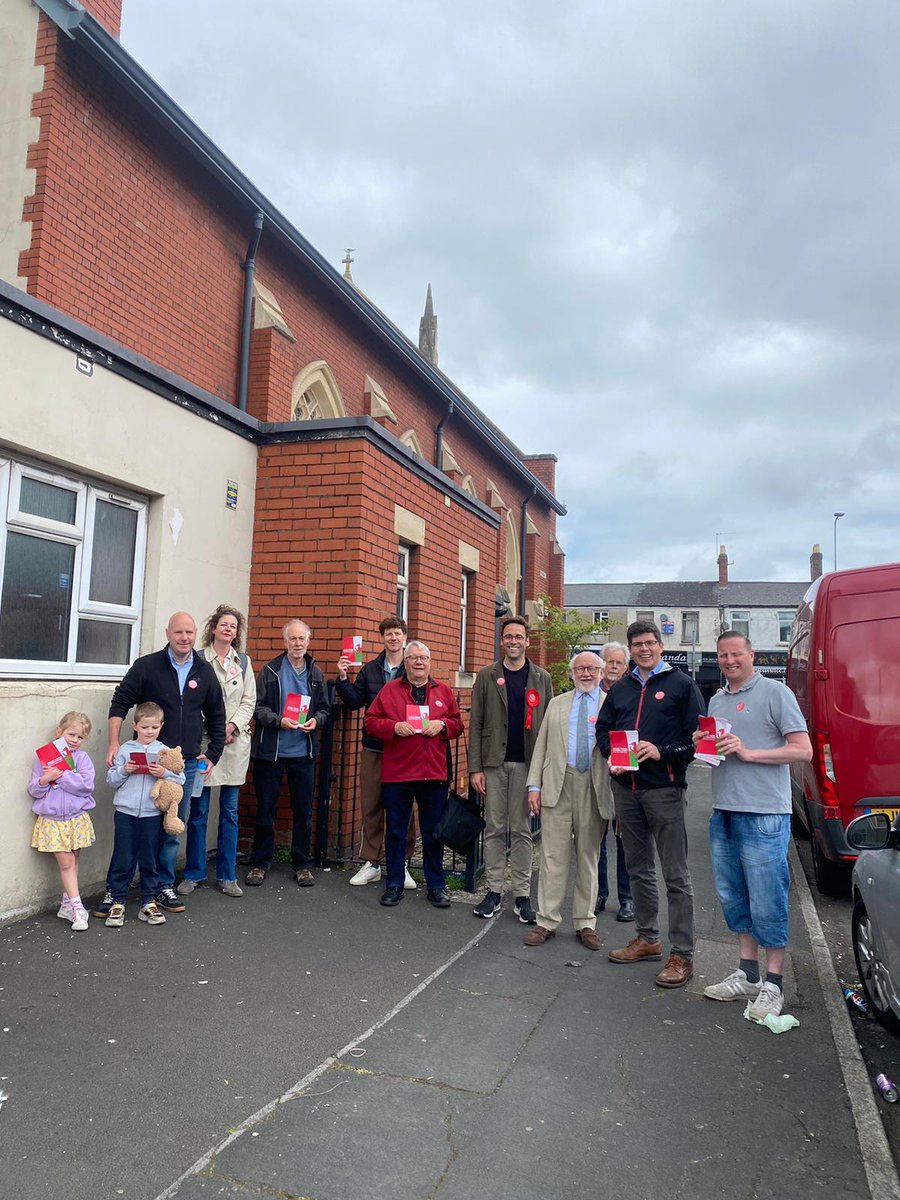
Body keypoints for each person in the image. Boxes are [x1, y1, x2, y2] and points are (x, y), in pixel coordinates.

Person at [698, 632, 812, 1020]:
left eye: (736, 654)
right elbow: (717, 752)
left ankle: (774, 983)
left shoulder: (775, 693)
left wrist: (748, 752)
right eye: (723, 655)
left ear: (751, 655)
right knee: (734, 896)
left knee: (768, 899)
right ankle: (747, 974)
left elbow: (802, 749)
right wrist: (704, 744)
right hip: (723, 809)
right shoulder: (716, 699)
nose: (729, 661)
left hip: (764, 813)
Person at [595, 620, 704, 988]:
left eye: (649, 643)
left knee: (676, 875)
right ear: (630, 650)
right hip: (626, 789)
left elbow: (697, 741)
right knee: (637, 867)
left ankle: (682, 954)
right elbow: (603, 730)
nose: (643, 649)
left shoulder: (681, 684)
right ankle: (647, 938)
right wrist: (612, 754)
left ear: (660, 645)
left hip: (665, 790)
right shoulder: (621, 687)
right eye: (637, 644)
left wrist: (662, 752)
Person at [100, 612, 225, 918]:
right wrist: (114, 743)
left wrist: (213, 754)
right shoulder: (147, 666)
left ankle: (161, 886)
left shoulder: (203, 670)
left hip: (182, 767)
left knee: (171, 827)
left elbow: (217, 714)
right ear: (168, 633)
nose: (185, 638)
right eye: (179, 632)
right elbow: (120, 702)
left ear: (196, 635)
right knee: (133, 829)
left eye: (190, 633)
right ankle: (120, 890)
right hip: (143, 761)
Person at [364, 640, 463, 909]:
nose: (419, 662)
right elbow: (370, 721)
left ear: (430, 662)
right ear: (405, 662)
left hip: (434, 773)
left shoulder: (443, 690)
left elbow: (457, 724)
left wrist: (441, 724)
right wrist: (394, 727)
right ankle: (394, 884)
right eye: (413, 658)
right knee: (395, 831)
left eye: (424, 658)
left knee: (432, 832)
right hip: (398, 773)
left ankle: (436, 885)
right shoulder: (389, 690)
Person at [523, 652, 611, 950]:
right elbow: (542, 745)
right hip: (558, 785)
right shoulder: (557, 704)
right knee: (552, 858)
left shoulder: (613, 705)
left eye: (591, 668)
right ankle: (546, 920)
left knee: (588, 857)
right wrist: (534, 785)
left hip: (595, 786)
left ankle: (585, 922)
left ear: (602, 672)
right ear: (572, 673)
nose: (585, 673)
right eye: (580, 669)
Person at [468, 615, 553, 924]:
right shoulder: (487, 675)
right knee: (493, 828)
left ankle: (521, 895)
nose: (514, 641)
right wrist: (474, 768)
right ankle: (492, 891)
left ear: (527, 642)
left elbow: (549, 727)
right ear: (501, 641)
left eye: (519, 637)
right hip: (493, 763)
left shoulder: (541, 678)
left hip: (528, 765)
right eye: (509, 637)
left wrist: (544, 771)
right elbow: (475, 723)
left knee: (521, 830)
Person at [177, 604, 257, 899]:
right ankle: (194, 873)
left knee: (230, 813)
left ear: (237, 633)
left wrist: (232, 726)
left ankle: (227, 875)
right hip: (204, 745)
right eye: (223, 624)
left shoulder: (244, 663)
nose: (228, 629)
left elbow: (249, 700)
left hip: (234, 745)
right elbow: (189, 699)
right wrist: (214, 727)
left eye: (233, 626)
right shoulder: (197, 660)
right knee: (198, 811)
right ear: (213, 628)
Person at [245, 619, 331, 888]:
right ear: (285, 642)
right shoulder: (271, 670)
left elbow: (325, 709)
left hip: (302, 752)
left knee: (303, 812)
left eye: (301, 639)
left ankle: (302, 864)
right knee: (266, 811)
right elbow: (256, 708)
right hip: (270, 752)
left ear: (308, 641)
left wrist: (316, 720)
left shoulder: (316, 673)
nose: (297, 644)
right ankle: (260, 863)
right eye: (292, 639)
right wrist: (278, 720)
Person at [335, 615, 416, 890]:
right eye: (388, 634)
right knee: (371, 805)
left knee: (404, 808)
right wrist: (344, 678)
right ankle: (372, 862)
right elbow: (356, 702)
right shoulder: (370, 669)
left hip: (404, 749)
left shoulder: (413, 668)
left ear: (404, 636)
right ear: (382, 638)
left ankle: (402, 862)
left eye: (397, 633)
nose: (393, 638)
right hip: (374, 747)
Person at [103, 702, 186, 927]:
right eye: (145, 727)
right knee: (123, 856)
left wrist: (164, 772)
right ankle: (117, 901)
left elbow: (181, 779)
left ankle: (148, 901)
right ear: (135, 726)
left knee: (149, 858)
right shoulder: (125, 749)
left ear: (161, 727)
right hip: (125, 812)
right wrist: (124, 770)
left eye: (154, 727)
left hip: (151, 814)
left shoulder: (164, 751)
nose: (149, 732)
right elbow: (111, 780)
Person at [28, 711, 96, 932]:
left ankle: (66, 904)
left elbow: (86, 786)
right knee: (66, 863)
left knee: (74, 860)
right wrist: (44, 779)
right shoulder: (43, 758)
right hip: (53, 820)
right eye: (71, 734)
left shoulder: (82, 759)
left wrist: (62, 776)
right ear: (59, 731)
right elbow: (34, 790)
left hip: (76, 818)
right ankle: (77, 909)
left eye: (80, 737)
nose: (75, 740)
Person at [596, 643, 634, 922]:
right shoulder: (590, 693)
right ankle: (599, 893)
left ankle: (627, 898)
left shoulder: (634, 693)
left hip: (624, 775)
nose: (613, 666)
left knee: (624, 841)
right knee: (596, 839)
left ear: (626, 666)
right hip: (594, 775)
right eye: (608, 661)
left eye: (618, 662)